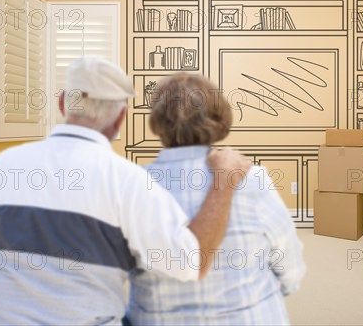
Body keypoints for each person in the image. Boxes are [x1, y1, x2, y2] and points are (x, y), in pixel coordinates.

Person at [0, 58, 250, 325]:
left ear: (62, 103)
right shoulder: (129, 182)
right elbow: (191, 263)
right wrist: (223, 181)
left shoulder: (7, 163)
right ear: (120, 118)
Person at [127, 73, 306, 325]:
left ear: (157, 121)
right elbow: (287, 259)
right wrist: (282, 289)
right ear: (218, 117)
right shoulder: (252, 179)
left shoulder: (132, 186)